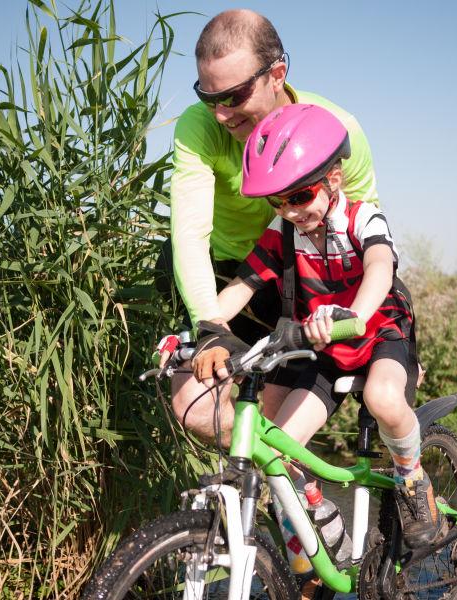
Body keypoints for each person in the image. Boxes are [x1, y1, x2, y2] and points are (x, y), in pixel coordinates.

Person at [191, 103, 443, 552]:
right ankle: (323, 524)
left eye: (300, 196)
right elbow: (243, 284)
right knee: (282, 450)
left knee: (382, 398)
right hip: (324, 343)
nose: (289, 210)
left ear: (334, 180)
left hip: (380, 329)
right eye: (278, 200)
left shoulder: (362, 219)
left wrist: (355, 315)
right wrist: (207, 329)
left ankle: (413, 482)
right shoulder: (284, 230)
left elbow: (380, 268)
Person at [161, 9, 380, 443]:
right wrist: (209, 325)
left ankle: (301, 498)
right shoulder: (199, 128)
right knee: (194, 407)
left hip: (304, 282)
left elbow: (366, 233)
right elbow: (188, 232)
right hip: (230, 277)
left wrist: (386, 330)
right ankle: (273, 484)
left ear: (277, 74)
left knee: (287, 416)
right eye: (209, 98)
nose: (221, 114)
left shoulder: (338, 130)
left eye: (235, 95)